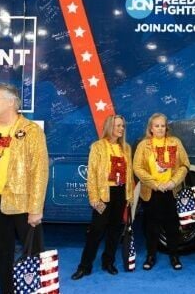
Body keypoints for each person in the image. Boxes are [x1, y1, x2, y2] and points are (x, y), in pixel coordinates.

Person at [0, 83, 48, 294]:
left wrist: (35, 208)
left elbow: (40, 172)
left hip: (23, 203)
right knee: (3, 253)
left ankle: (35, 290)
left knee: (32, 252)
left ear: (11, 102)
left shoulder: (31, 131)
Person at [71, 114, 134, 280]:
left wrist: (129, 196)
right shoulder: (98, 146)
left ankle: (108, 262)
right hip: (103, 195)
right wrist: (94, 199)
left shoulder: (126, 148)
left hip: (120, 194)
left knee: (115, 230)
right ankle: (85, 266)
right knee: (96, 231)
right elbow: (91, 174)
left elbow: (129, 175)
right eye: (118, 125)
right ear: (109, 127)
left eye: (123, 126)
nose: (121, 128)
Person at [133, 113, 190, 270]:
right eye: (156, 126)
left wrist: (173, 182)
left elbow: (185, 165)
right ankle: (151, 256)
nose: (160, 128)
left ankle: (174, 256)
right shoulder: (143, 146)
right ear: (151, 128)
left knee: (172, 225)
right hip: (151, 191)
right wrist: (155, 184)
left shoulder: (175, 142)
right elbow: (137, 167)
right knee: (152, 226)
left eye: (162, 126)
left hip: (171, 191)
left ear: (166, 128)